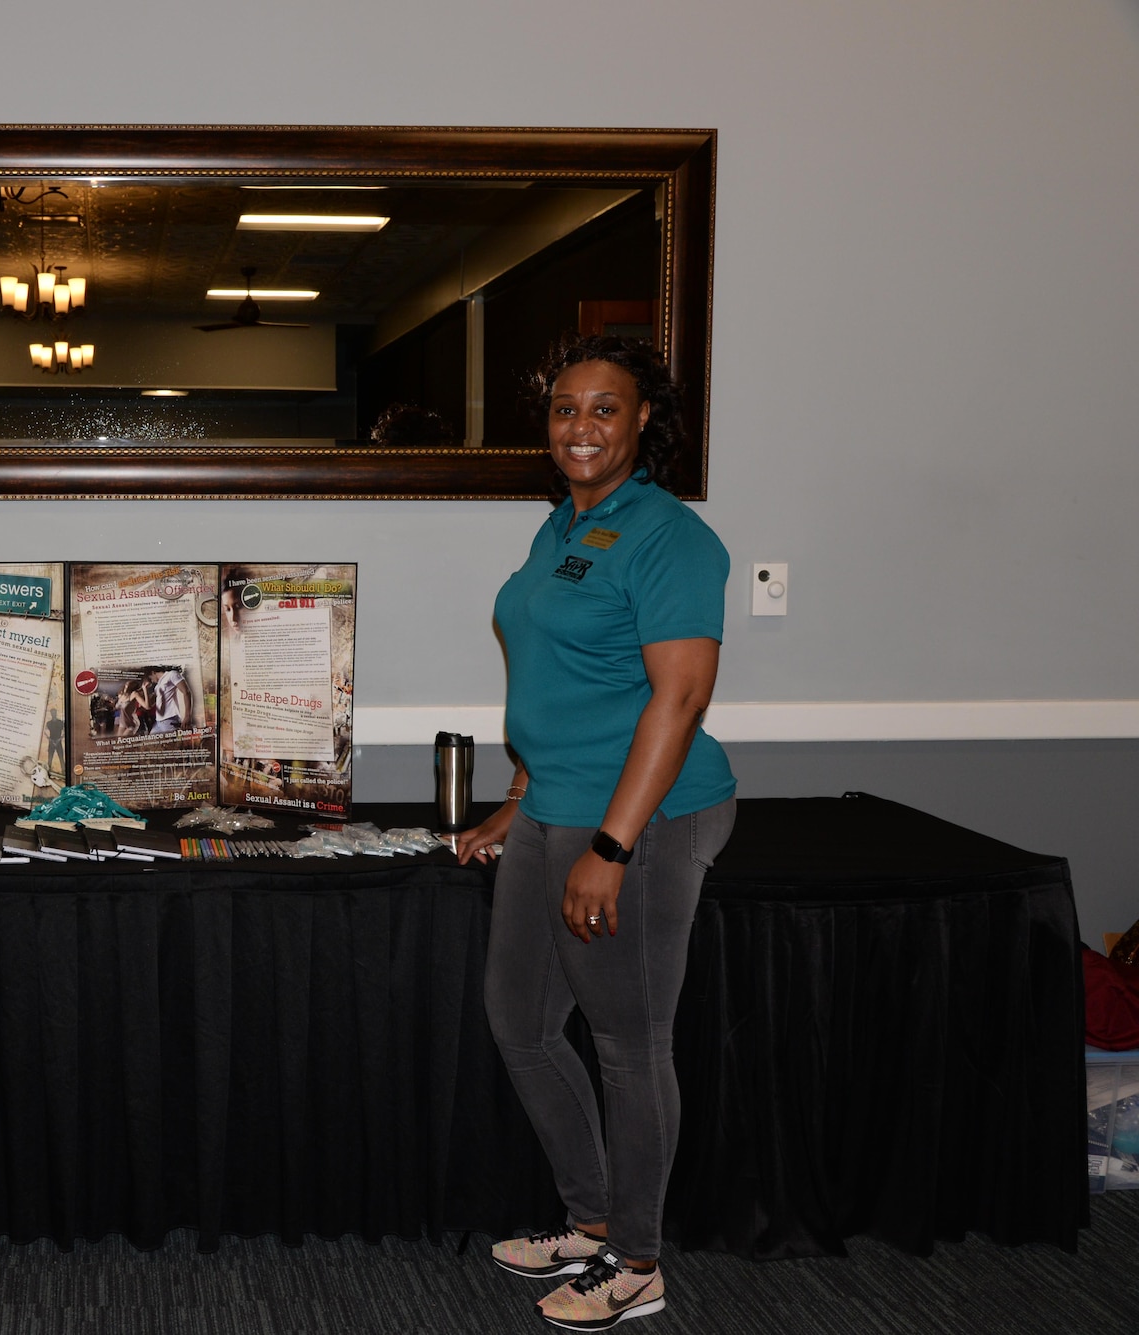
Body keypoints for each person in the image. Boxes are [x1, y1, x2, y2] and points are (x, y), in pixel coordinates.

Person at [455, 334, 735, 1330]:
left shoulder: (670, 537)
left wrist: (610, 849)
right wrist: (517, 797)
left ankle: (636, 1260)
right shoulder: (562, 525)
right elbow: (556, 677)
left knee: (625, 1040)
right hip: (555, 804)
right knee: (520, 1024)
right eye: (564, 408)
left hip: (643, 816)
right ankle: (587, 1220)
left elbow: (679, 696)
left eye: (603, 408)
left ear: (643, 420)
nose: (579, 427)